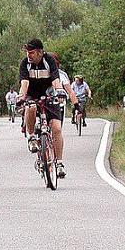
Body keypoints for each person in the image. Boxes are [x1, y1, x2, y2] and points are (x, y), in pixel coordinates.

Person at [17, 39, 80, 178]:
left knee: (56, 128)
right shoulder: (25, 63)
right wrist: (21, 97)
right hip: (31, 94)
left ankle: (59, 163)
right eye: (27, 52)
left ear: (40, 52)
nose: (28, 55)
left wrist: (60, 92)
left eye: (31, 52)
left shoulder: (49, 60)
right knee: (31, 107)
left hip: (49, 94)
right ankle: (32, 137)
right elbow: (24, 83)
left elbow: (55, 79)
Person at [47, 52, 79, 126]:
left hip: (58, 102)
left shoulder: (62, 75)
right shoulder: (38, 72)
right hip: (43, 101)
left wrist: (76, 105)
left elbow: (70, 91)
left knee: (57, 127)